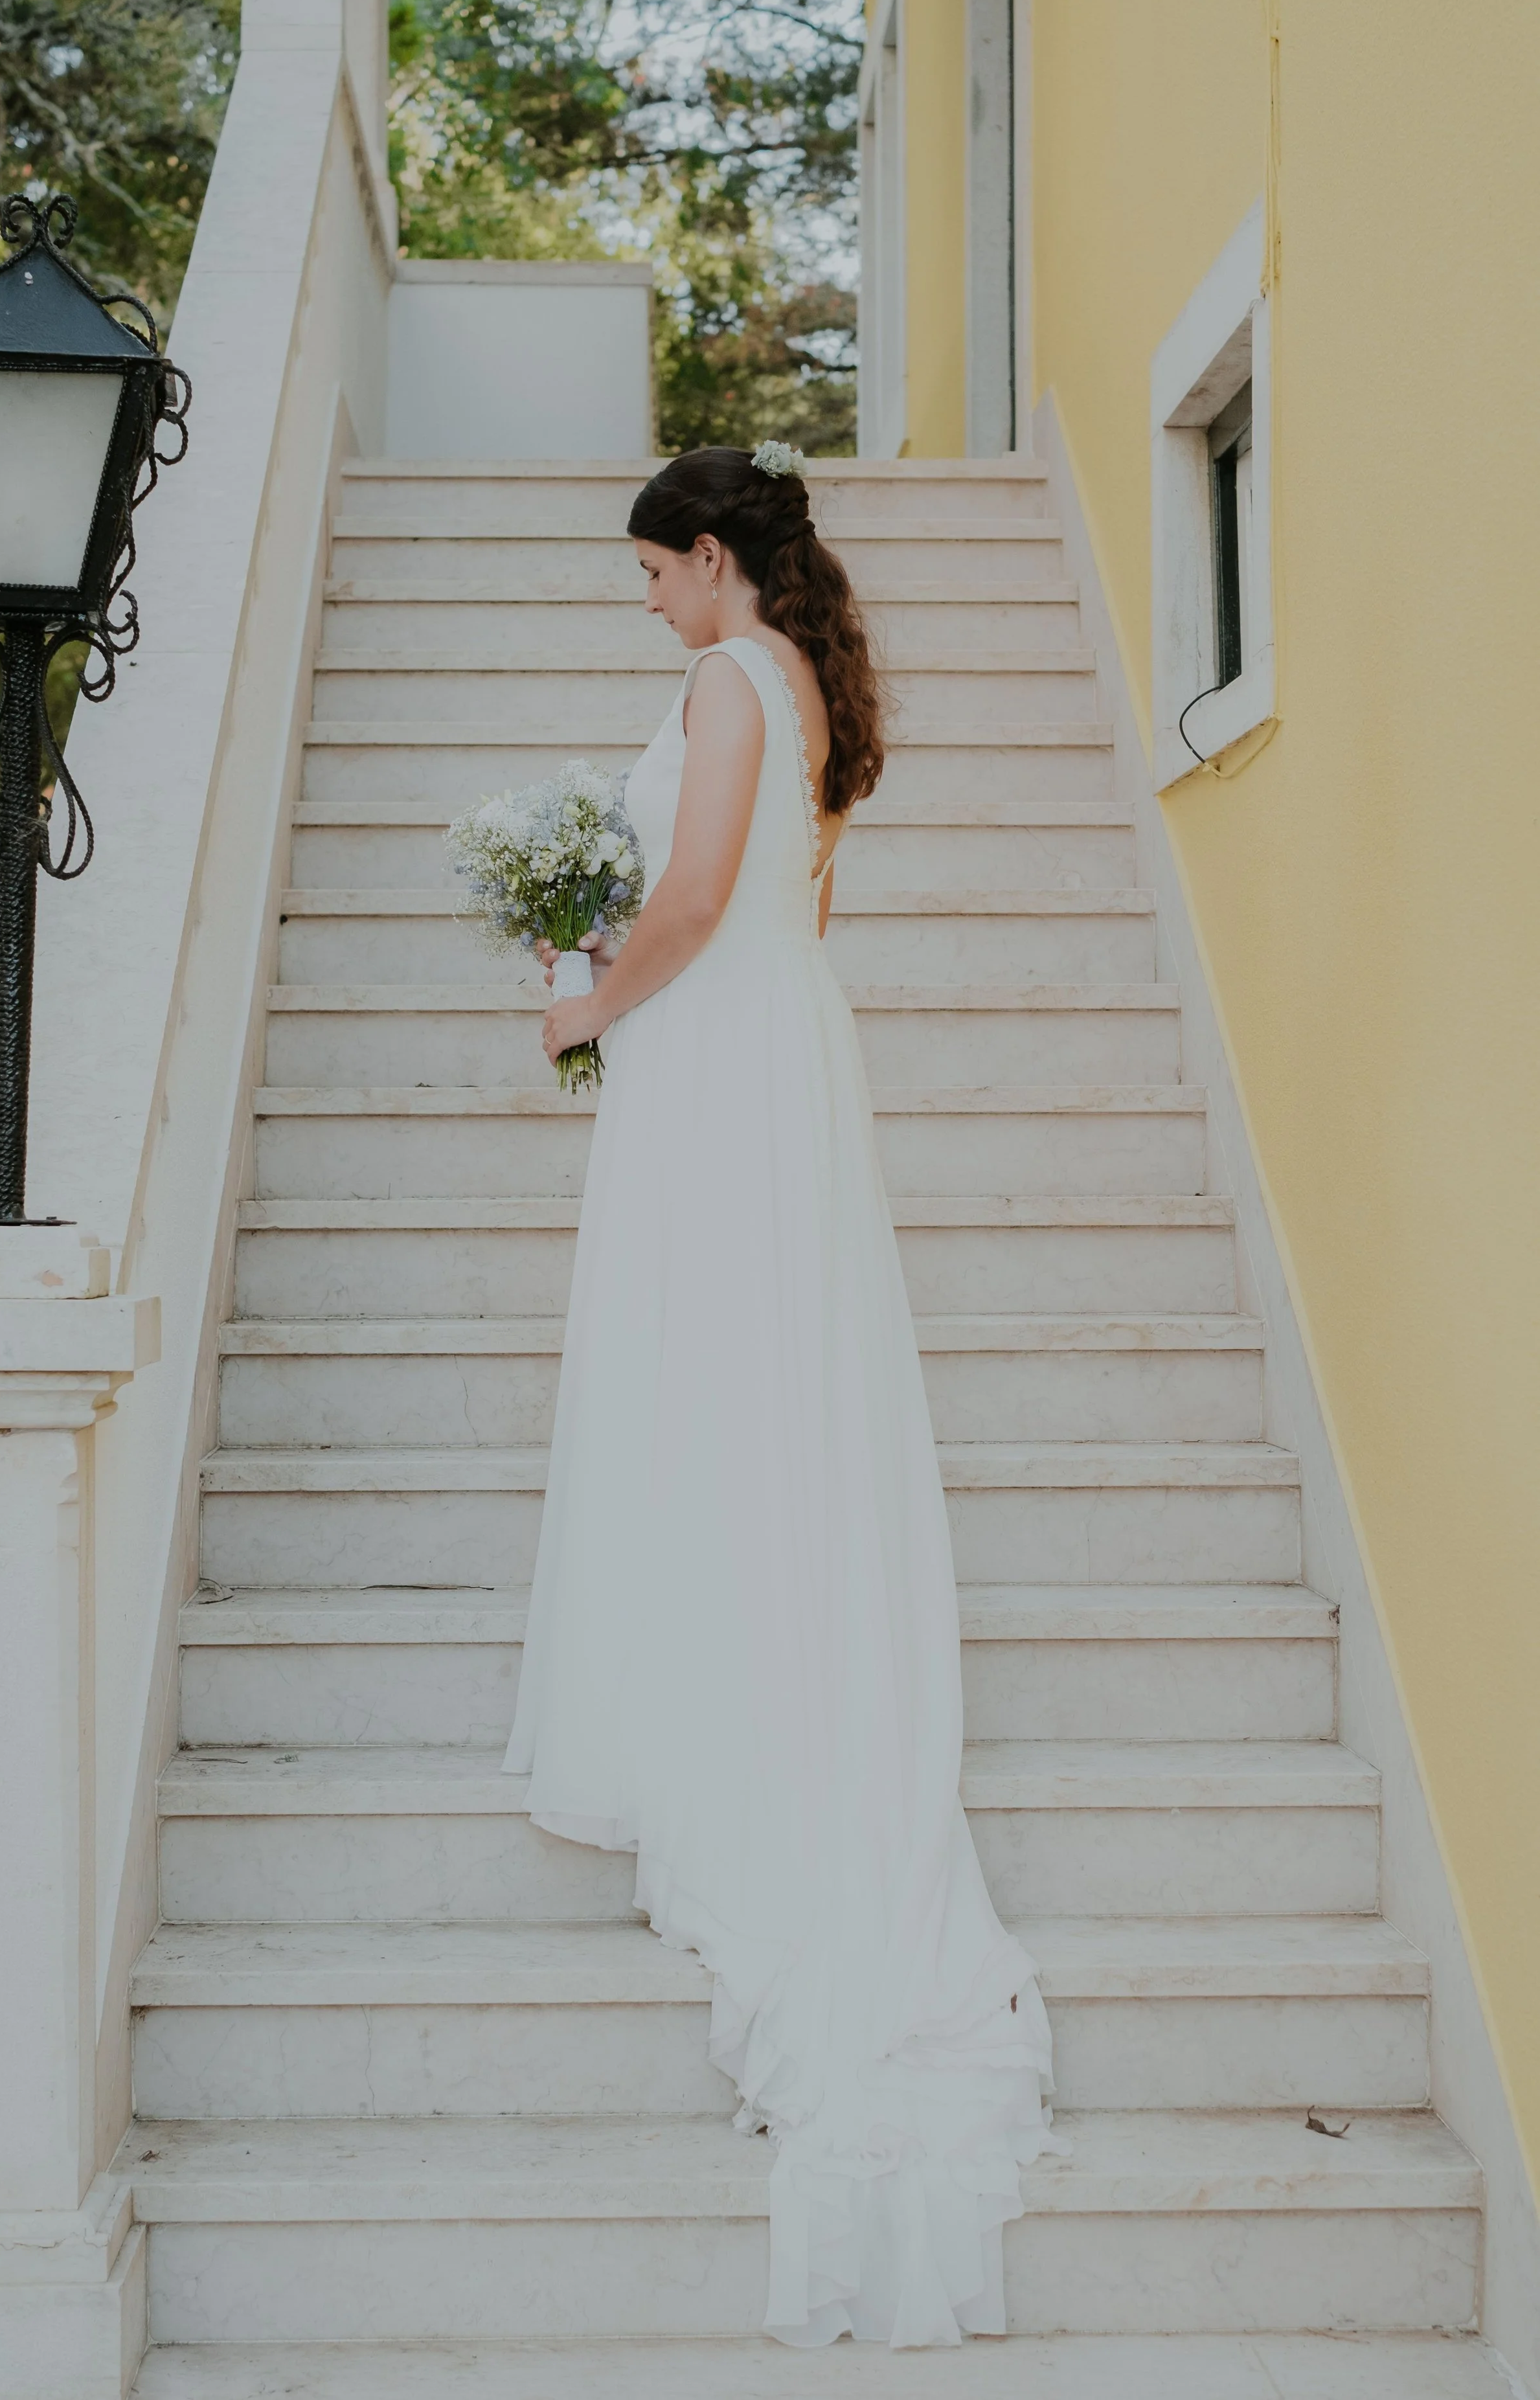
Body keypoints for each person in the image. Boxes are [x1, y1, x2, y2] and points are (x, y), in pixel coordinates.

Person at [503, 443, 1060, 2349]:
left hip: (718, 1060)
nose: (645, 600)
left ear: (716, 559)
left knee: (718, 1371)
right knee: (743, 1375)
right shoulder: (798, 676)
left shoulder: (733, 679)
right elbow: (757, 918)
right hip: (761, 1052)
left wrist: (587, 999)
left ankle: (731, 1701)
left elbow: (700, 899)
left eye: (655, 570)